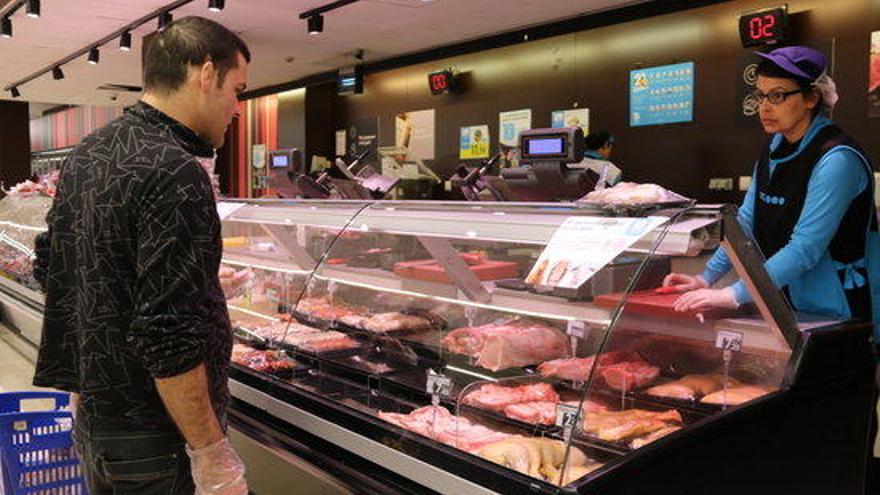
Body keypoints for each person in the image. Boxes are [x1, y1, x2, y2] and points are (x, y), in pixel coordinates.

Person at [32, 16, 251, 495]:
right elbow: (167, 335)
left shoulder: (88, 152)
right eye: (238, 88)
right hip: (159, 438)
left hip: (97, 421)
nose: (238, 107)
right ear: (206, 74)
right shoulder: (177, 171)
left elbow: (54, 265)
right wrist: (211, 454)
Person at [662, 45, 880, 490]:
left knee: (839, 421)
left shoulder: (836, 159)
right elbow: (746, 225)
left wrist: (732, 294)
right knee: (796, 424)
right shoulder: (774, 150)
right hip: (789, 306)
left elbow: (805, 248)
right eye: (760, 96)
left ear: (812, 97)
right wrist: (707, 276)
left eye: (778, 95)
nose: (765, 107)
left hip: (843, 310)